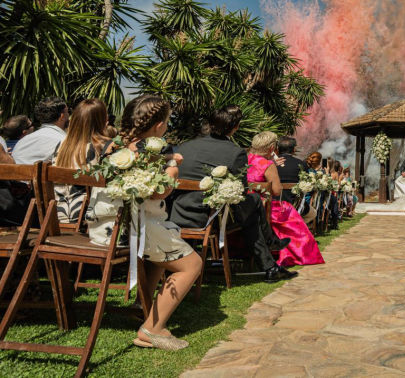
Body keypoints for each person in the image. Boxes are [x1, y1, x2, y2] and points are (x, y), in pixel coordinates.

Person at [86, 94, 202, 350]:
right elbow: (159, 192)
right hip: (133, 228)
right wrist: (172, 167)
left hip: (103, 227)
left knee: (165, 242)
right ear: (159, 124)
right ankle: (152, 329)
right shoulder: (156, 146)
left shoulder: (111, 146)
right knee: (191, 264)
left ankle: (145, 305)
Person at [170, 105, 293, 282]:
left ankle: (270, 260)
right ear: (235, 127)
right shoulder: (235, 153)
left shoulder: (185, 146)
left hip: (177, 211)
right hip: (209, 216)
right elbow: (239, 192)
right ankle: (270, 252)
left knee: (251, 207)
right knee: (253, 203)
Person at [247, 132, 324, 267]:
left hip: (246, 206)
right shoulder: (268, 164)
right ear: (272, 148)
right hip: (265, 208)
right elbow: (277, 190)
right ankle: (283, 247)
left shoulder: (246, 159)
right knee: (289, 211)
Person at [52, 99, 111, 224]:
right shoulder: (103, 145)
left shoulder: (61, 146)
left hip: (58, 215)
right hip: (88, 218)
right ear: (101, 120)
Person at [11, 97, 69, 164]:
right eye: (68, 112)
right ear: (62, 116)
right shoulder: (66, 142)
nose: (68, 115)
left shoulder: (22, 142)